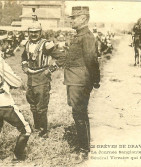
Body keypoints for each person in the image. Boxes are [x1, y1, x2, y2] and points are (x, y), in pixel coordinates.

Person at [0, 29, 31, 165]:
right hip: (3, 103)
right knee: (26, 129)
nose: (8, 45)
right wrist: (14, 81)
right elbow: (17, 82)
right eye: (7, 42)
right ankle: (18, 156)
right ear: (2, 42)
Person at [61, 6, 100, 163]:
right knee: (79, 113)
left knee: (79, 114)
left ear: (84, 18)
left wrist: (95, 80)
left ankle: (83, 150)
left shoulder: (87, 37)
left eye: (74, 17)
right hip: (74, 80)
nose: (71, 20)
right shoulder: (79, 35)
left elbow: (92, 60)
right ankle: (84, 147)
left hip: (80, 81)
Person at [20, 16, 59, 138]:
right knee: (33, 105)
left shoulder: (46, 45)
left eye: (36, 32)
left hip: (42, 77)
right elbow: (24, 58)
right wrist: (25, 66)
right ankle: (37, 128)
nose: (33, 35)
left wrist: (50, 69)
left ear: (40, 32)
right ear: (28, 33)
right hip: (30, 77)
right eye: (31, 32)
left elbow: (61, 57)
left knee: (41, 106)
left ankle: (43, 131)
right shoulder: (26, 44)